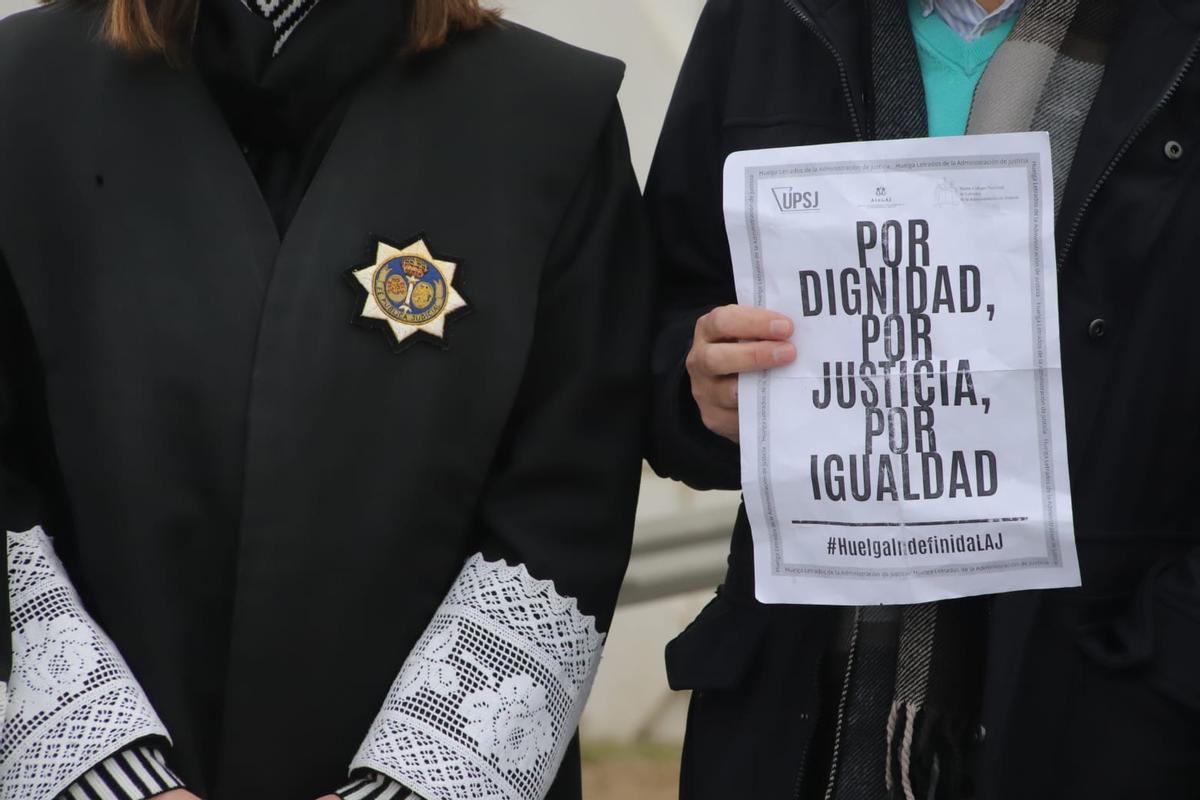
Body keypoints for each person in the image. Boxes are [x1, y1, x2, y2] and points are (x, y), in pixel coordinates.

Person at [0, 1, 653, 798]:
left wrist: (402, 787)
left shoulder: (548, 118)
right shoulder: (20, 91)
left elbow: (569, 492)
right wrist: (115, 779)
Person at [646, 0, 1200, 798]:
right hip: (803, 714)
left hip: (1104, 705)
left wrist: (1157, 682)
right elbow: (661, 304)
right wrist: (696, 382)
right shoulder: (767, 17)